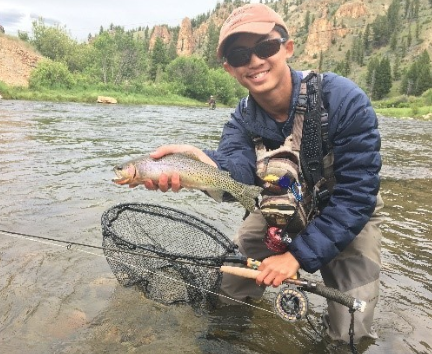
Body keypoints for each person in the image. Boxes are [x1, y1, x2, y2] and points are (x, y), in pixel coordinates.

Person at [131, 3, 383, 346]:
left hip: (345, 212)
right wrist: (201, 165)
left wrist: (295, 257)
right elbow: (240, 175)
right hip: (278, 207)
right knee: (227, 291)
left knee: (351, 333)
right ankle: (225, 340)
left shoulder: (342, 101)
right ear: (229, 69)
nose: (253, 60)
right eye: (239, 55)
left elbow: (357, 198)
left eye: (265, 47)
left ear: (287, 48)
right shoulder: (241, 120)